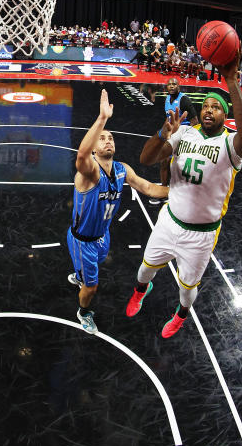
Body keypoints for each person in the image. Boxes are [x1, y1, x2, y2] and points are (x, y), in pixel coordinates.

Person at [129, 52, 242, 338]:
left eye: (217, 107)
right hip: (169, 220)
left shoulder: (230, 145)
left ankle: (181, 315)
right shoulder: (184, 133)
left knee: (187, 289)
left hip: (201, 234)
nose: (209, 110)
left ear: (226, 115)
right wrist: (163, 133)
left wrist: (232, 82)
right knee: (143, 271)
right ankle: (141, 291)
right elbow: (146, 159)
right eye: (206, 106)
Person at [67, 89, 171, 334]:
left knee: (100, 261)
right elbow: (81, 155)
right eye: (102, 139)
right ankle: (83, 312)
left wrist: (179, 193)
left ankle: (80, 273)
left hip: (102, 235)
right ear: (95, 149)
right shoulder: (90, 173)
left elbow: (147, 187)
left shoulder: (123, 170)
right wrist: (102, 119)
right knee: (91, 287)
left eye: (111, 137)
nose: (108, 140)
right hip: (83, 241)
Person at [152, 79, 198, 204]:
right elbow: (168, 118)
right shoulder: (167, 99)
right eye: (169, 84)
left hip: (184, 134)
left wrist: (190, 140)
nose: (171, 86)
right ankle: (163, 192)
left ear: (179, 86)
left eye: (174, 84)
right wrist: (163, 133)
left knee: (180, 166)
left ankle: (186, 194)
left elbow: (195, 121)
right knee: (164, 161)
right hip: (173, 134)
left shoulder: (184, 100)